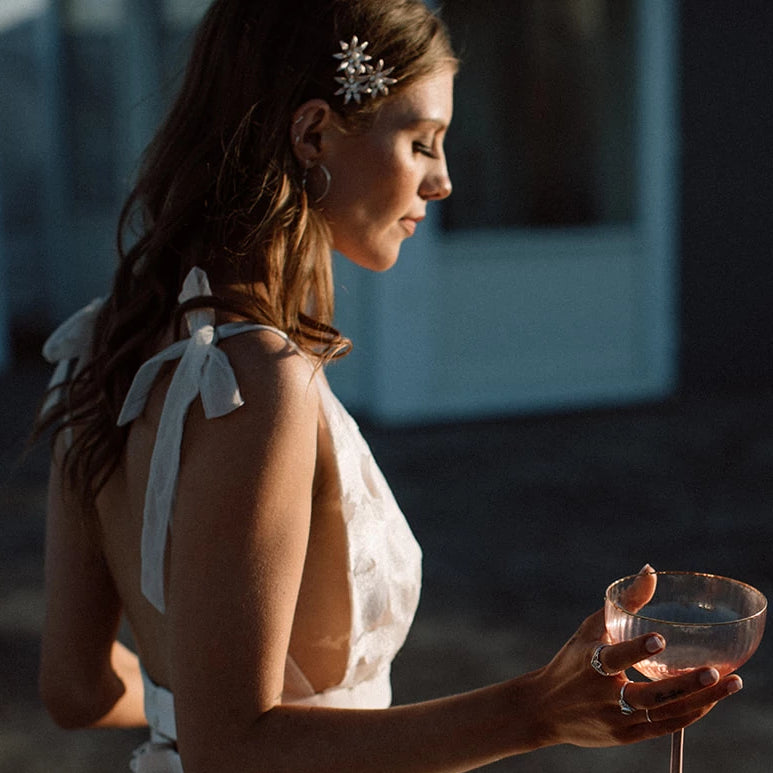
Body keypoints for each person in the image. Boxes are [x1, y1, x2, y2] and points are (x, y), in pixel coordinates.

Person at [34, 1, 743, 771]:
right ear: (312, 134)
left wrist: (189, 705)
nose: (441, 181)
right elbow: (231, 749)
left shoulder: (101, 343)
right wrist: (537, 709)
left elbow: (79, 687)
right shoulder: (256, 386)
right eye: (420, 142)